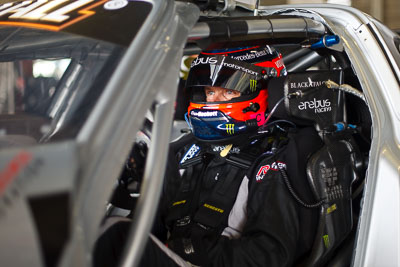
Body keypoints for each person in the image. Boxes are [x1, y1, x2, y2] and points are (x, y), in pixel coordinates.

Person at [93, 45, 324, 267]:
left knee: (114, 235)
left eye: (228, 92)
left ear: (263, 90)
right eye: (210, 91)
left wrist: (183, 250)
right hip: (175, 254)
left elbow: (267, 257)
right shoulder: (187, 149)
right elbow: (151, 219)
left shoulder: (272, 161)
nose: (211, 101)